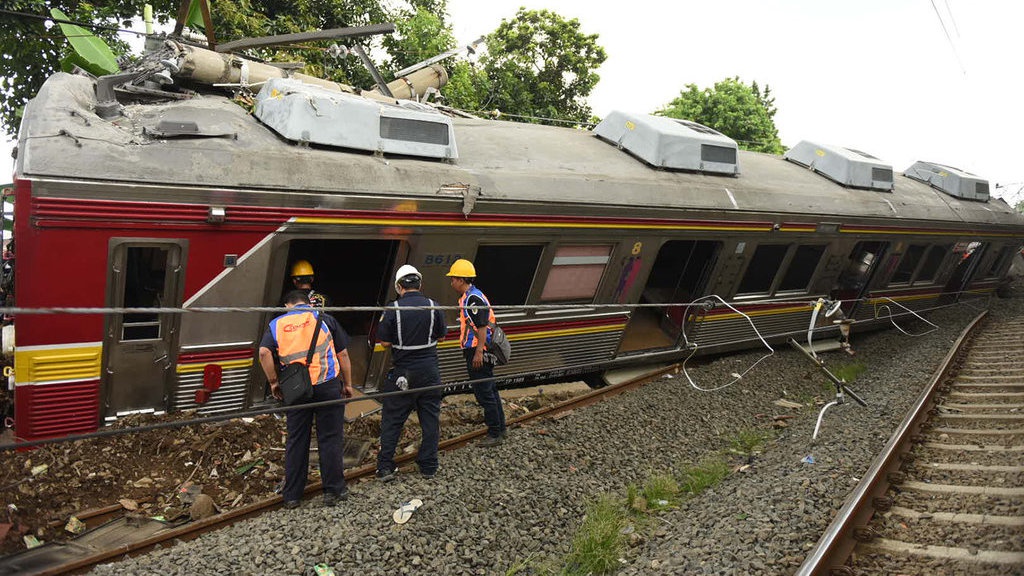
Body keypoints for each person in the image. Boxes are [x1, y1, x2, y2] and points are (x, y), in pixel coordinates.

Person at [258, 290, 355, 508]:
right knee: (330, 438)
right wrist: (347, 384)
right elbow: (344, 355)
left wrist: (274, 382)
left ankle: (292, 495)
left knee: (296, 440)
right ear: (307, 303)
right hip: (327, 385)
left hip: (296, 390)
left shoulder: (277, 324)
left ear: (287, 305)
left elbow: (264, 353)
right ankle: (334, 491)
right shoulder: (325, 318)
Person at [375, 264, 448, 481]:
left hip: (403, 373)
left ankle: (385, 467)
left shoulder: (392, 309)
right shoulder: (434, 307)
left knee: (393, 420)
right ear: (420, 284)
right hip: (430, 372)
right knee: (430, 420)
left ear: (399, 286)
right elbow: (441, 337)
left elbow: (385, 342)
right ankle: (429, 466)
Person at [447, 259, 506, 447]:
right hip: (479, 348)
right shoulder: (472, 295)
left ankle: (495, 432)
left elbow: (481, 326)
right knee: (490, 390)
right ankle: (500, 428)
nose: (451, 283)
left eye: (453, 279)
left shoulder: (472, 298)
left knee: (484, 393)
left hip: (477, 350)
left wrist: (478, 352)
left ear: (461, 279)